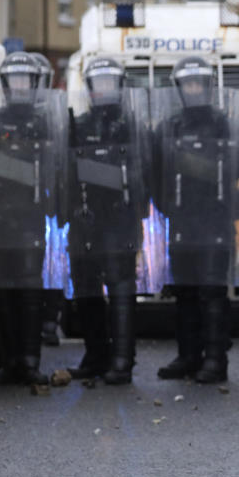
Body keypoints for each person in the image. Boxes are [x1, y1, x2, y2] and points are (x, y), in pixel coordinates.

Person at [0, 52, 65, 386]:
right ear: (6, 85)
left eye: (27, 80)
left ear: (35, 84)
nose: (22, 86)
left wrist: (56, 209)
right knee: (3, 294)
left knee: (28, 292)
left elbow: (57, 170)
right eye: (16, 80)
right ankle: (9, 360)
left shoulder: (45, 123)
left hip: (30, 222)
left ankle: (29, 360)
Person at [154, 56, 239, 383]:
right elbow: (156, 173)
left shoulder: (225, 125)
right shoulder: (169, 126)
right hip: (182, 221)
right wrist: (171, 208)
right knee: (185, 292)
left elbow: (236, 166)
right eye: (188, 83)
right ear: (180, 87)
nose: (193, 89)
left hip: (215, 220)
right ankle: (187, 356)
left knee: (212, 292)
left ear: (208, 86)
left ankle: (215, 359)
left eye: (199, 83)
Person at [64, 57, 151, 384]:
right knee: (86, 288)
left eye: (108, 83)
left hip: (120, 219)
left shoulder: (132, 126)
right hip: (84, 219)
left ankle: (122, 360)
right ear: (89, 88)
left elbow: (145, 171)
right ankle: (95, 355)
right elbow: (63, 171)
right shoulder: (77, 126)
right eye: (97, 84)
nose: (103, 90)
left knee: (120, 289)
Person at [30, 52, 63, 347]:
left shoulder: (56, 112)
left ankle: (50, 321)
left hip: (52, 202)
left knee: (53, 265)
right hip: (26, 202)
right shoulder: (13, 114)